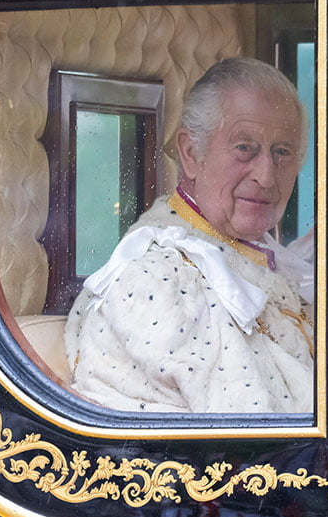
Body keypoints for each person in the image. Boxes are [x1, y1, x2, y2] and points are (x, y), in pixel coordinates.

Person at [65, 57, 314, 413]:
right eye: (245, 148)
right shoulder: (159, 283)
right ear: (191, 153)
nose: (266, 176)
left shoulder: (260, 257)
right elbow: (251, 434)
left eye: (282, 152)